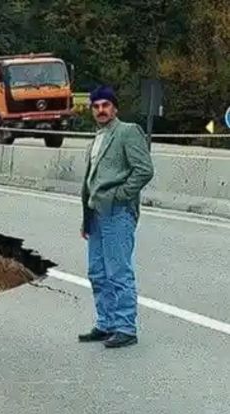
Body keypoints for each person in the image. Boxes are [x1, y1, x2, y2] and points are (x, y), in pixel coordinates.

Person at [78, 85, 154, 348]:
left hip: (117, 212)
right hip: (96, 213)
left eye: (105, 105)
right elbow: (90, 181)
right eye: (96, 106)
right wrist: (86, 218)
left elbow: (144, 170)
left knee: (118, 271)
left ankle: (125, 326)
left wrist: (121, 195)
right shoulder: (97, 138)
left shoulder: (128, 132)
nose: (101, 110)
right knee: (97, 272)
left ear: (114, 108)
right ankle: (106, 323)